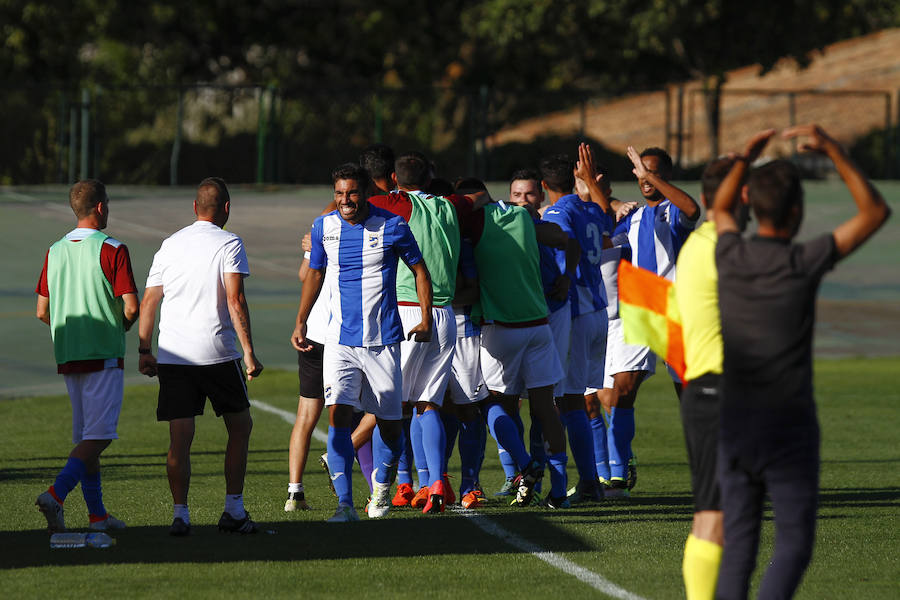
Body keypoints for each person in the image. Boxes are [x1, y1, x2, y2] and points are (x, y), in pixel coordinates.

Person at [712, 125, 889, 599]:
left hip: (733, 421)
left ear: (753, 201)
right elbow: (875, 211)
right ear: (798, 213)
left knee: (739, 548)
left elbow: (721, 208)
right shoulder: (802, 261)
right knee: (792, 542)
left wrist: (743, 160)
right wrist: (834, 149)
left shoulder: (728, 253)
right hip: (787, 425)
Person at [291, 163, 433, 522]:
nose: (344, 200)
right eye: (339, 193)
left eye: (351, 193)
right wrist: (301, 320)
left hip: (383, 341)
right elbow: (315, 274)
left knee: (389, 423)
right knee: (338, 416)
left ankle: (382, 489)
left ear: (365, 191)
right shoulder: (324, 226)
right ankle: (345, 505)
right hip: (339, 342)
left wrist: (426, 317)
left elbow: (419, 270)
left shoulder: (392, 226)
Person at [138, 177, 264, 536]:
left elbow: (150, 300)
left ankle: (180, 515)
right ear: (226, 208)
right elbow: (234, 299)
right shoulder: (229, 242)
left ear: (194, 208)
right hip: (218, 353)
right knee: (240, 428)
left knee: (180, 439)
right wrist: (250, 353)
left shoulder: (170, 244)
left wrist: (145, 350)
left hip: (174, 356)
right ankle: (233, 510)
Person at [366, 152, 488, 513]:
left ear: (393, 180)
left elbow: (354, 202)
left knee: (389, 406)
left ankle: (393, 486)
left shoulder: (395, 205)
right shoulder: (451, 206)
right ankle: (435, 482)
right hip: (445, 315)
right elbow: (478, 197)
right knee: (428, 403)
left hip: (407, 312)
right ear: (431, 177)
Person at [34, 180, 139, 533]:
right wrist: (120, 326)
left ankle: (97, 515)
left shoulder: (54, 250)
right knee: (102, 435)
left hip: (68, 355)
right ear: (99, 208)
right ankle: (56, 493)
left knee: (87, 438)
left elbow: (42, 311)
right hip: (103, 353)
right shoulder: (113, 249)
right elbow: (131, 307)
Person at [606, 146, 700, 492]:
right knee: (622, 390)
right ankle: (618, 473)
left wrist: (650, 178)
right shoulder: (632, 218)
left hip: (677, 311)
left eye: (653, 172)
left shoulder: (675, 211)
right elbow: (606, 241)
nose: (645, 178)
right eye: (640, 172)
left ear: (666, 176)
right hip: (642, 310)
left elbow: (694, 208)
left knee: (690, 397)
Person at [468, 193, 569, 507]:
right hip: (539, 325)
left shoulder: (473, 221)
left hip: (502, 328)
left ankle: (523, 471)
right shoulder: (523, 217)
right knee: (546, 407)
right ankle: (559, 489)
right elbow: (563, 238)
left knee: (497, 406)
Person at [672, 156, 739, 600]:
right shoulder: (722, 247)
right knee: (718, 515)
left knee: (716, 513)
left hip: (707, 387)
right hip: (720, 388)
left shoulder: (700, 244)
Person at [540, 146, 612, 505]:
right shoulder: (588, 208)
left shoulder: (558, 212)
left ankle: (587, 482)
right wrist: (591, 181)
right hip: (599, 310)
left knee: (569, 401)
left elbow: (567, 241)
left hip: (578, 313)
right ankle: (588, 479)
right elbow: (607, 219)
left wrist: (566, 275)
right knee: (575, 399)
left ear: (543, 184)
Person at [284, 232, 330, 511]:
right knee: (385, 406)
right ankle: (377, 491)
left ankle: (295, 493)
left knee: (306, 414)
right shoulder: (367, 225)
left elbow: (305, 274)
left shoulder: (320, 227)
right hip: (345, 334)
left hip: (314, 330)